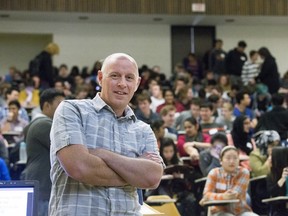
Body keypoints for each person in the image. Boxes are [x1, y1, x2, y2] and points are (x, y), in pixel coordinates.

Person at [48, 53, 164, 215]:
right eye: (115, 76)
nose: (122, 84)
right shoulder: (72, 110)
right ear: (100, 78)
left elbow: (152, 178)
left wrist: (102, 154)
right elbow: (79, 168)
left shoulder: (143, 129)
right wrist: (134, 175)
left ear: (137, 83)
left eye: (129, 78)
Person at [21, 88, 65, 216]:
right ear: (47, 105)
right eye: (60, 104)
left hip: (40, 184)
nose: (64, 109)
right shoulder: (44, 124)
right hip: (43, 186)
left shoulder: (36, 123)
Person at [200, 146, 258, 216]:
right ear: (221, 161)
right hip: (220, 211)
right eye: (228, 158)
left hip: (241, 211)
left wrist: (214, 197)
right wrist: (224, 196)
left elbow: (233, 195)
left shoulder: (244, 172)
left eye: (235, 158)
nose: (232, 161)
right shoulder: (214, 173)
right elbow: (206, 195)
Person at [266, 147, 288, 216]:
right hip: (280, 209)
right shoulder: (271, 175)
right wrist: (282, 180)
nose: (269, 158)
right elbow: (272, 193)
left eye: (271, 156)